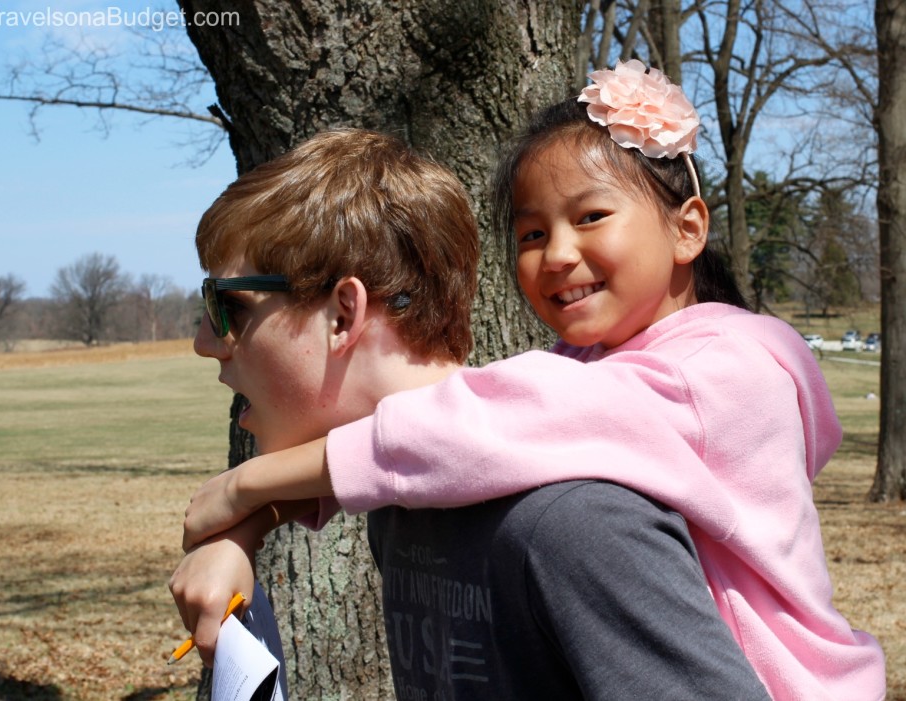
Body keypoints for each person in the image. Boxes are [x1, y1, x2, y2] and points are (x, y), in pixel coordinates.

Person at [180, 61, 886, 701]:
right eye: (531, 234)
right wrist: (242, 531)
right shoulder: (568, 396)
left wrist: (246, 486)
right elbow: (442, 444)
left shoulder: (721, 370)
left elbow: (473, 425)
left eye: (590, 216)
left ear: (687, 229)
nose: (558, 254)